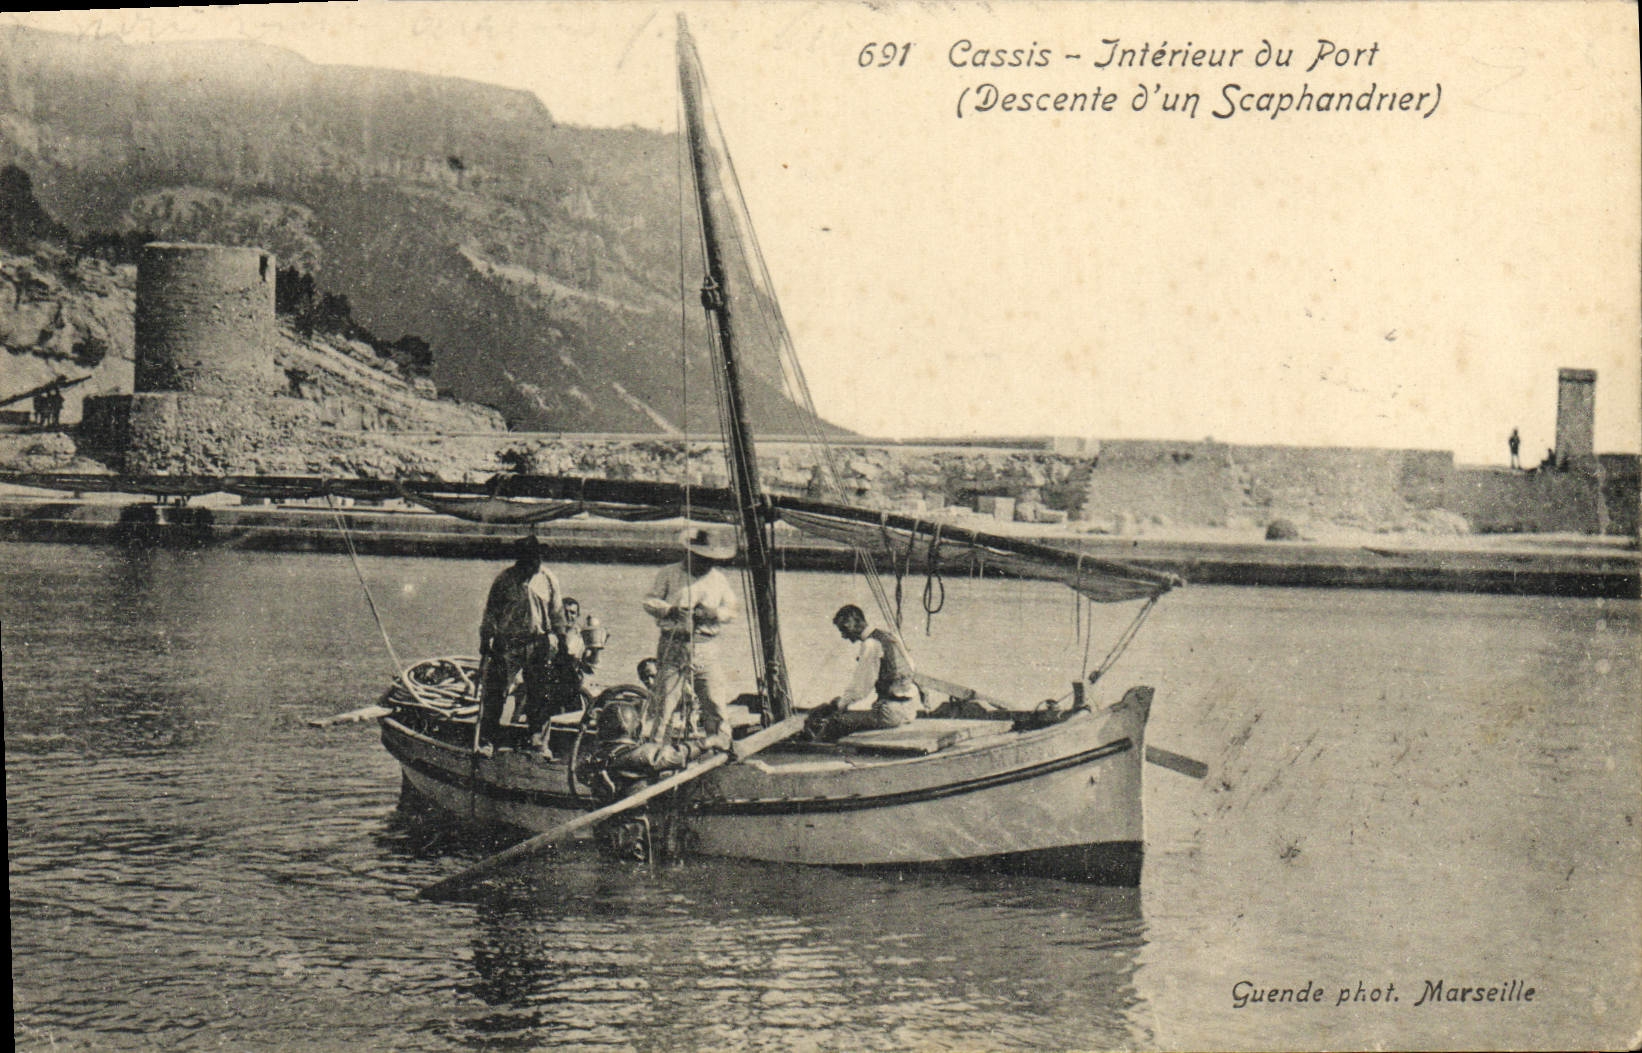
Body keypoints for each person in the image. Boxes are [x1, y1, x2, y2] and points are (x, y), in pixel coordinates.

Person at [640, 524, 739, 750]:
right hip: (673, 644)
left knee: (714, 701)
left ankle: (721, 747)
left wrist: (714, 614)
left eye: (710, 559)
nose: (706, 563)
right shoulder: (669, 573)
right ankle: (655, 750)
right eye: (702, 558)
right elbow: (649, 601)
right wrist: (670, 610)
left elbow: (732, 611)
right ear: (691, 553)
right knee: (666, 703)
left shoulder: (719, 580)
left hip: (706, 647)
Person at [576, 701, 712, 861]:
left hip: (605, 837)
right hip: (633, 836)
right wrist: (708, 743)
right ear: (637, 729)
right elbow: (677, 755)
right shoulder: (640, 755)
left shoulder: (593, 760)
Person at [477, 535, 571, 754]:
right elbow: (491, 612)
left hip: (538, 643)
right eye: (530, 557)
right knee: (496, 693)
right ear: (520, 557)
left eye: (538, 557)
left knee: (539, 694)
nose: (535, 561)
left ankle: (538, 741)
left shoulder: (548, 579)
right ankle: (487, 740)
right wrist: (485, 638)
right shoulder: (504, 579)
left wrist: (562, 641)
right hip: (508, 643)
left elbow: (557, 613)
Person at [805, 604, 922, 740]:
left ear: (856, 622)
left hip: (890, 714)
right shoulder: (889, 637)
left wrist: (838, 705)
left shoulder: (871, 645)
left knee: (836, 722)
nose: (843, 635)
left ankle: (816, 747)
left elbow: (860, 688)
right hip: (909, 710)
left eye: (844, 629)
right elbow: (912, 667)